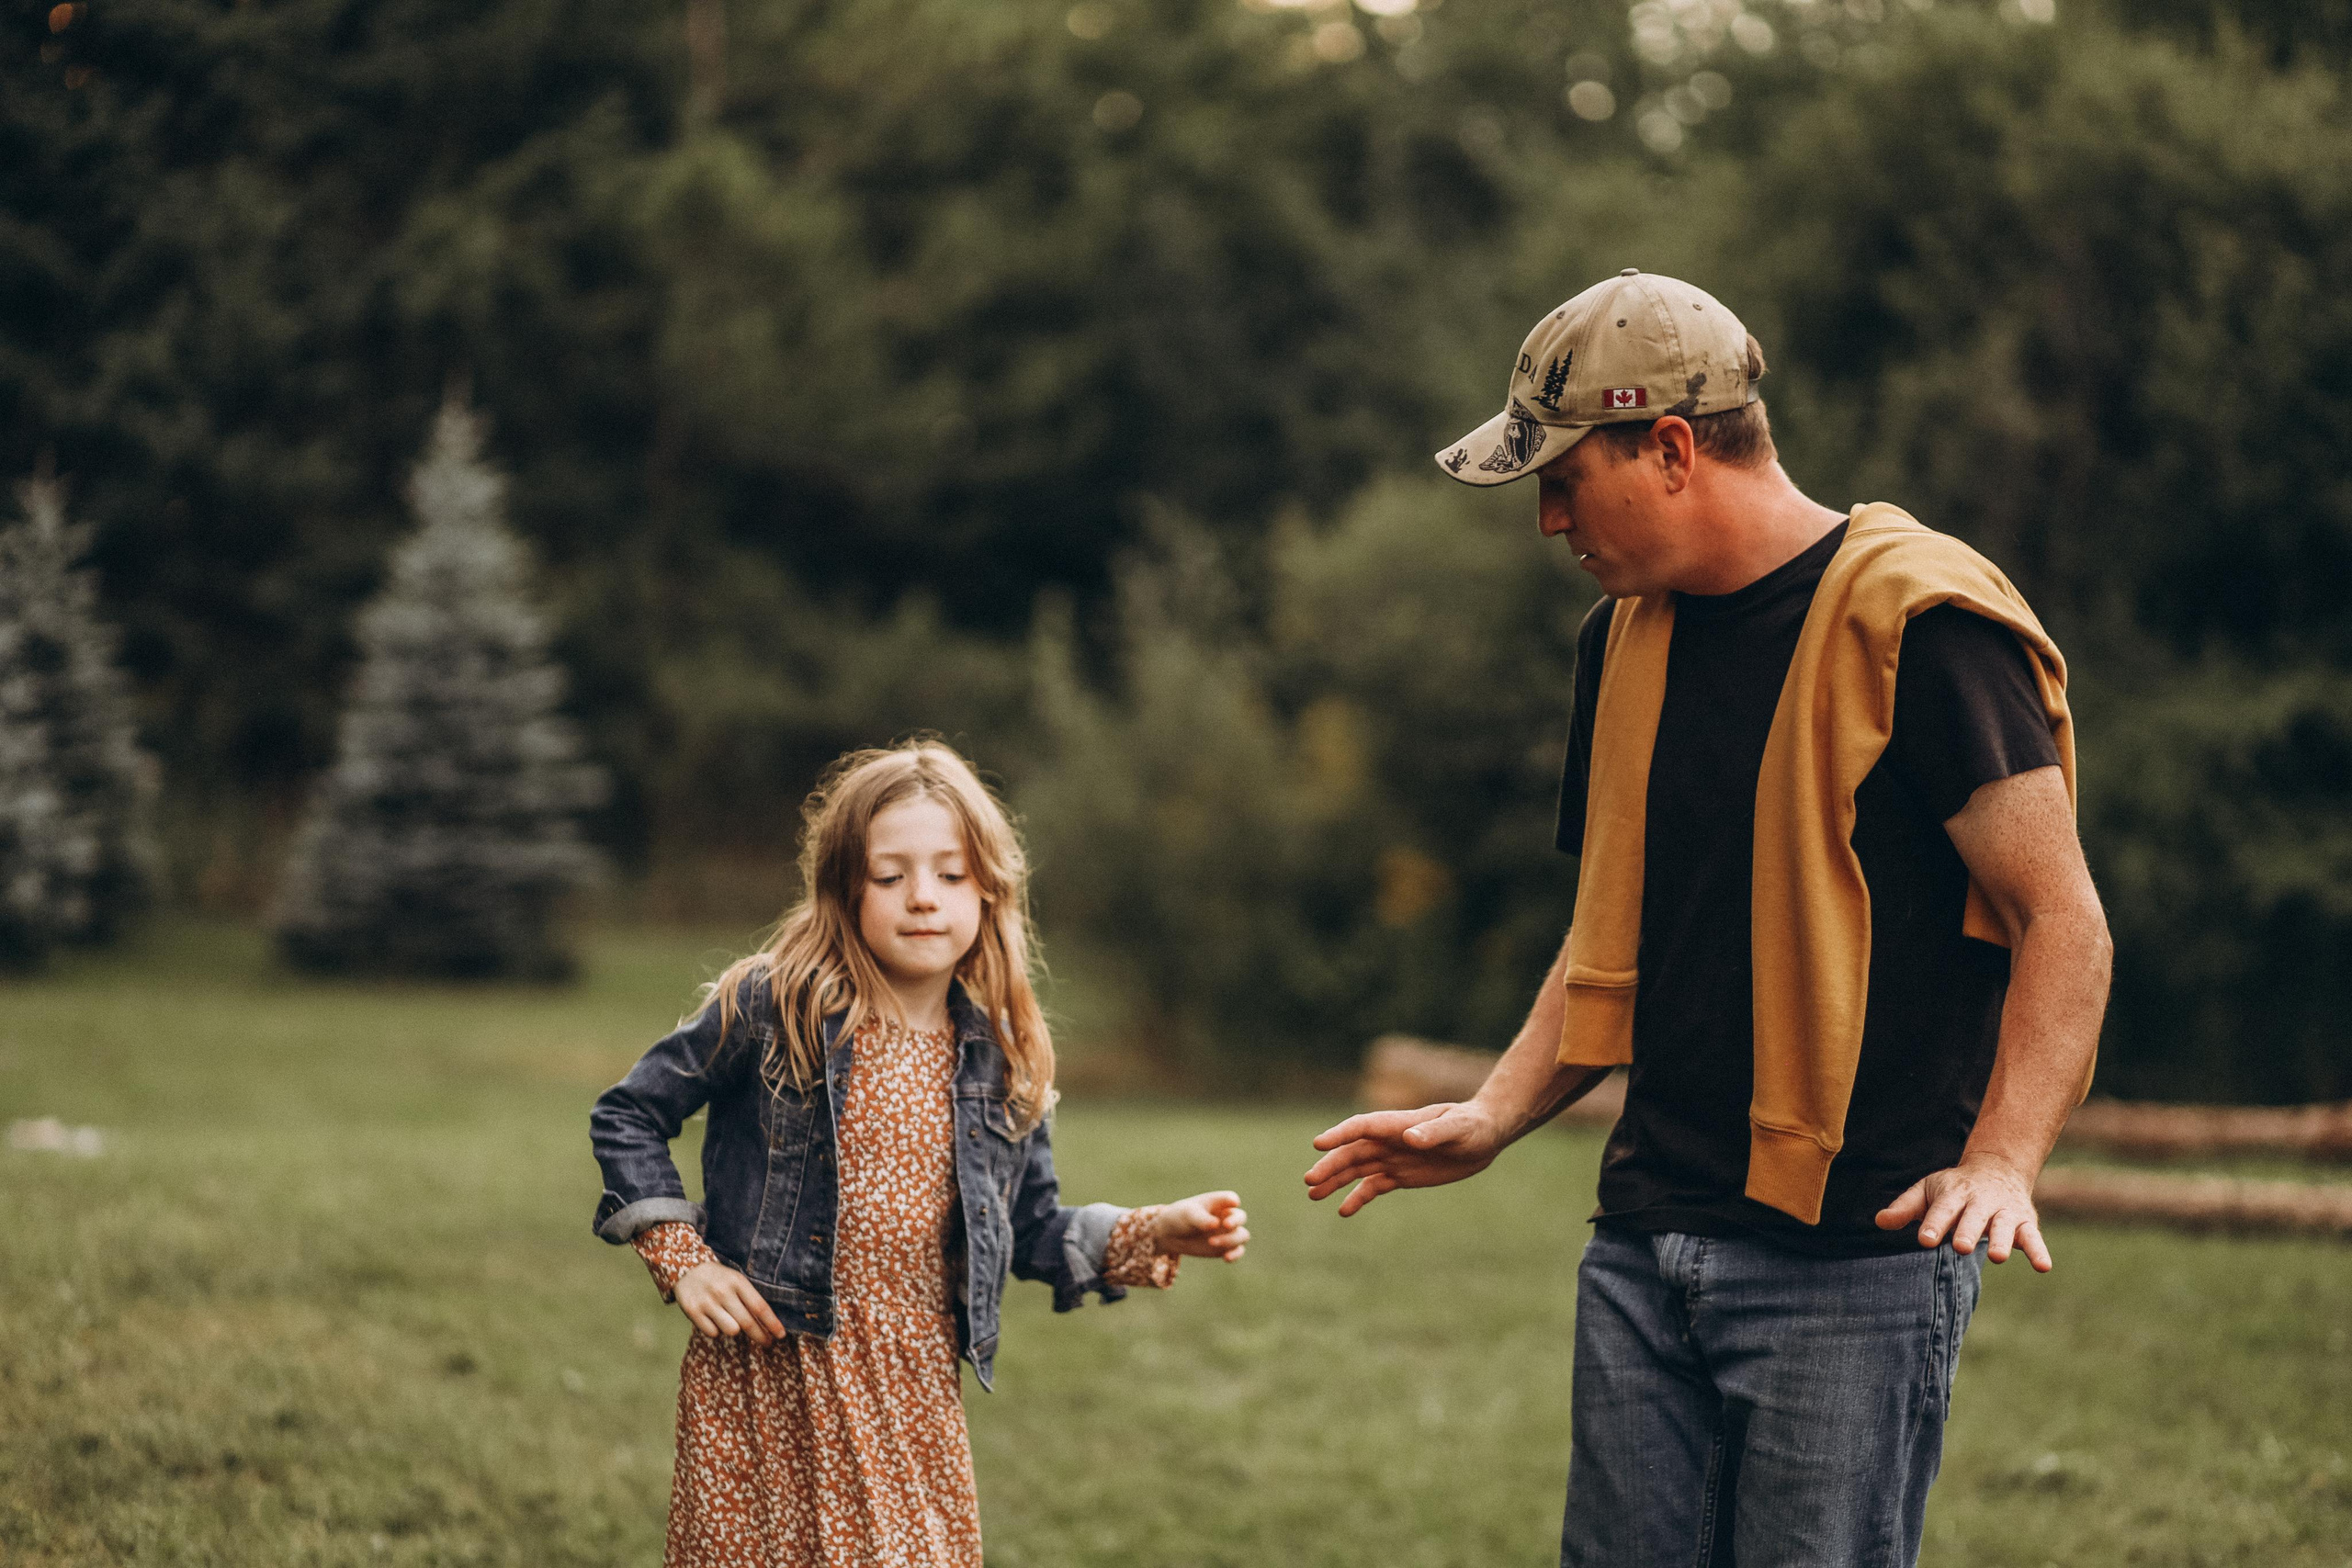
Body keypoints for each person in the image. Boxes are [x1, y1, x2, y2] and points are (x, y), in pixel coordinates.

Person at [1304, 269, 2111, 1567]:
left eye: (1565, 478)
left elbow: (2062, 917)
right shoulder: (1621, 640)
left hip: (1853, 1256)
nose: (1550, 517)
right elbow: (1617, 927)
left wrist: (2005, 1160)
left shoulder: (1924, 621)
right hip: (1644, 1241)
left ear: (1672, 447)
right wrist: (1497, 1110)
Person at [591, 739, 1250, 1568]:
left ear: (988, 888)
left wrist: (1150, 1231)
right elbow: (629, 1114)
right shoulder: (775, 1004)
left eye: (949, 872)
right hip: (768, 1379)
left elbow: (1031, 1228)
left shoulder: (1001, 1056)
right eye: (890, 874)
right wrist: (681, 1258)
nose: (922, 898)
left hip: (911, 1397)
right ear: (844, 887)